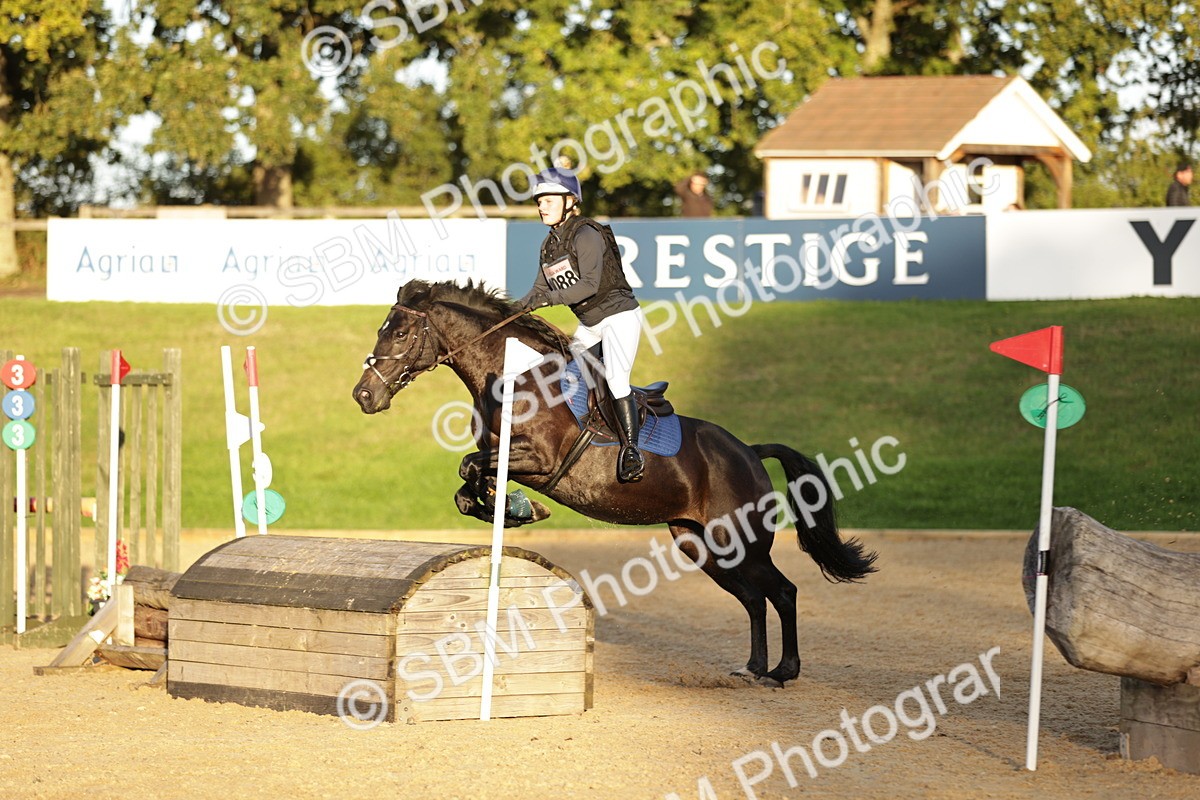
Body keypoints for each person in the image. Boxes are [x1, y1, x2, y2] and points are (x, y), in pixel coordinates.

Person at [518, 167, 646, 483]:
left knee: (616, 379)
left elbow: (588, 286)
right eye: (539, 201)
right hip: (591, 326)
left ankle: (632, 452)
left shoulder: (587, 234)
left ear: (570, 201)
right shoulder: (548, 246)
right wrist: (512, 309)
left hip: (619, 318)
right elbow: (538, 289)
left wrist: (548, 300)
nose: (542, 206)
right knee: (560, 372)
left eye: (548, 199)